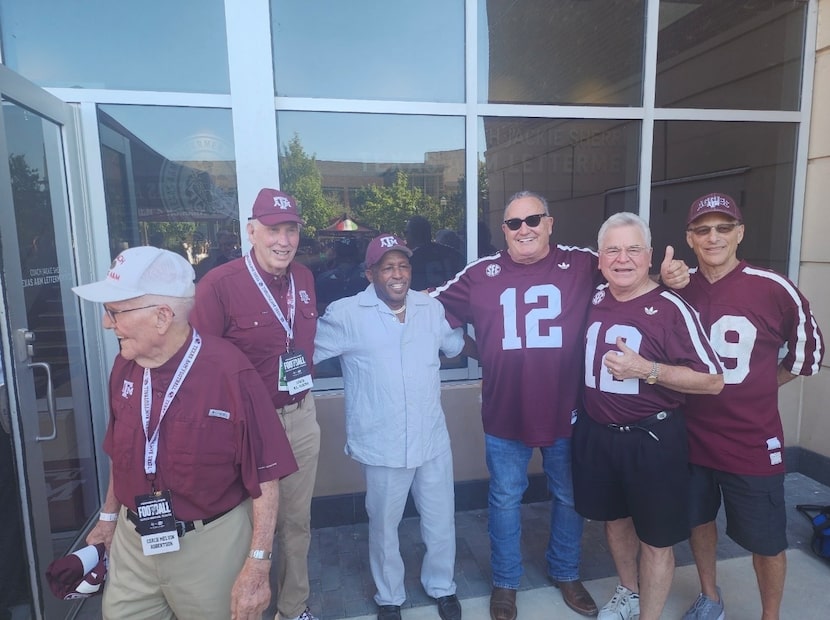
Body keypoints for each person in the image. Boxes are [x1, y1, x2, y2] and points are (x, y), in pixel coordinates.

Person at [430, 191, 690, 620]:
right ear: (504, 231)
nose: (524, 229)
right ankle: (506, 582)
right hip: (505, 410)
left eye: (533, 219)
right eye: (514, 223)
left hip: (568, 410)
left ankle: (566, 571)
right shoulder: (480, 273)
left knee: (569, 496)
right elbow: (429, 308)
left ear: (549, 223)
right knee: (504, 499)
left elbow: (629, 275)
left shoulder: (583, 263)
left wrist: (670, 277)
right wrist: (476, 349)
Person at [74, 246, 298, 620]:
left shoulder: (229, 372)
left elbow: (266, 475)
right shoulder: (124, 367)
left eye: (114, 312)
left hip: (209, 547)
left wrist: (258, 565)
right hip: (133, 544)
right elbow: (121, 454)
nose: (106, 324)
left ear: (162, 316)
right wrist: (108, 519)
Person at [675, 192, 825, 620]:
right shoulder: (678, 287)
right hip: (690, 436)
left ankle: (769, 615)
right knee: (698, 521)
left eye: (724, 228)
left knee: (767, 540)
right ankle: (710, 596)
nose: (714, 237)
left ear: (740, 233)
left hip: (751, 439)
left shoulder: (772, 287)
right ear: (690, 237)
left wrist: (762, 383)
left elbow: (808, 354)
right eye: (703, 229)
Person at [572, 212, 724, 620]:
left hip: (652, 440)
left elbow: (713, 381)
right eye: (613, 250)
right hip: (599, 435)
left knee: (656, 540)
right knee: (615, 522)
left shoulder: (672, 308)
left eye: (633, 249)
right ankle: (629, 592)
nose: (622, 259)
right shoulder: (593, 297)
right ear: (599, 257)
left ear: (650, 255)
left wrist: (648, 370)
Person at [314, 234, 466, 620]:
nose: (397, 274)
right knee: (384, 526)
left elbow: (453, 346)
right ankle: (389, 596)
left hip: (431, 437)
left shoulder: (429, 308)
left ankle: (442, 586)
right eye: (387, 268)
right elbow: (305, 351)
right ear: (370, 274)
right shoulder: (347, 313)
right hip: (381, 442)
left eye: (403, 266)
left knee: (440, 519)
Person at [191, 188, 320, 620]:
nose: (283, 240)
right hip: (246, 429)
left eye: (291, 230)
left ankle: (293, 607)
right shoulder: (218, 285)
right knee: (245, 528)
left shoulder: (304, 278)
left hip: (300, 416)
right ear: (251, 232)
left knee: (296, 523)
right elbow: (199, 369)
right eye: (272, 230)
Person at [404, 215, 465, 291]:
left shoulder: (411, 260)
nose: (405, 236)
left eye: (406, 232)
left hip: (426, 296)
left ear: (414, 234)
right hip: (453, 296)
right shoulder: (453, 254)